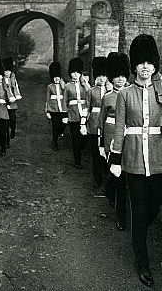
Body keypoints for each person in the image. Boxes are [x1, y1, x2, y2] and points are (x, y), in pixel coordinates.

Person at [108, 34, 162, 287]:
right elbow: (119, 129)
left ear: (154, 65)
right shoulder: (125, 94)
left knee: (156, 203)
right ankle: (142, 262)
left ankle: (138, 233)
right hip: (132, 159)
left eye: (149, 62)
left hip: (159, 156)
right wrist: (115, 159)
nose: (145, 67)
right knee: (139, 212)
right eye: (140, 62)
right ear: (135, 66)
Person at [99, 52, 130, 230]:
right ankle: (121, 217)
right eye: (117, 76)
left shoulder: (132, 94)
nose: (120, 80)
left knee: (122, 178)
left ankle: (109, 190)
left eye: (123, 76)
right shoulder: (107, 97)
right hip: (112, 140)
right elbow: (101, 122)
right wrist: (102, 144)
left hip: (130, 139)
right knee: (118, 178)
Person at [86, 57, 111, 187]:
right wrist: (84, 124)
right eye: (99, 76)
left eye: (104, 76)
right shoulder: (91, 91)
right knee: (96, 153)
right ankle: (97, 178)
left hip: (106, 125)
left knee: (106, 152)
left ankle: (106, 176)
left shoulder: (110, 91)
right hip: (94, 124)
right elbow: (87, 108)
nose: (101, 78)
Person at [62, 57, 90, 168]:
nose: (75, 75)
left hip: (84, 115)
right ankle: (77, 160)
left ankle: (81, 148)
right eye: (73, 72)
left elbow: (90, 95)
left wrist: (86, 84)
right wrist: (65, 114)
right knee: (75, 139)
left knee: (85, 137)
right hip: (73, 115)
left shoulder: (84, 85)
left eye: (78, 72)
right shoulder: (68, 86)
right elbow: (64, 101)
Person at [45, 61, 66, 150]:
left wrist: (62, 84)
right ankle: (55, 143)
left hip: (62, 108)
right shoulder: (50, 86)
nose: (56, 79)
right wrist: (47, 109)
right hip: (53, 109)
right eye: (54, 77)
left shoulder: (63, 85)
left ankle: (59, 133)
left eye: (58, 77)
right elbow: (48, 98)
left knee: (63, 124)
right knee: (54, 126)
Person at [2, 57, 22, 147]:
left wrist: (16, 96)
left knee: (12, 119)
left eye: (9, 71)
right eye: (5, 71)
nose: (7, 73)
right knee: (5, 122)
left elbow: (15, 88)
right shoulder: (1, 80)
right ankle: (7, 141)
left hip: (12, 102)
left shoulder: (12, 79)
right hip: (4, 103)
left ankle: (13, 130)